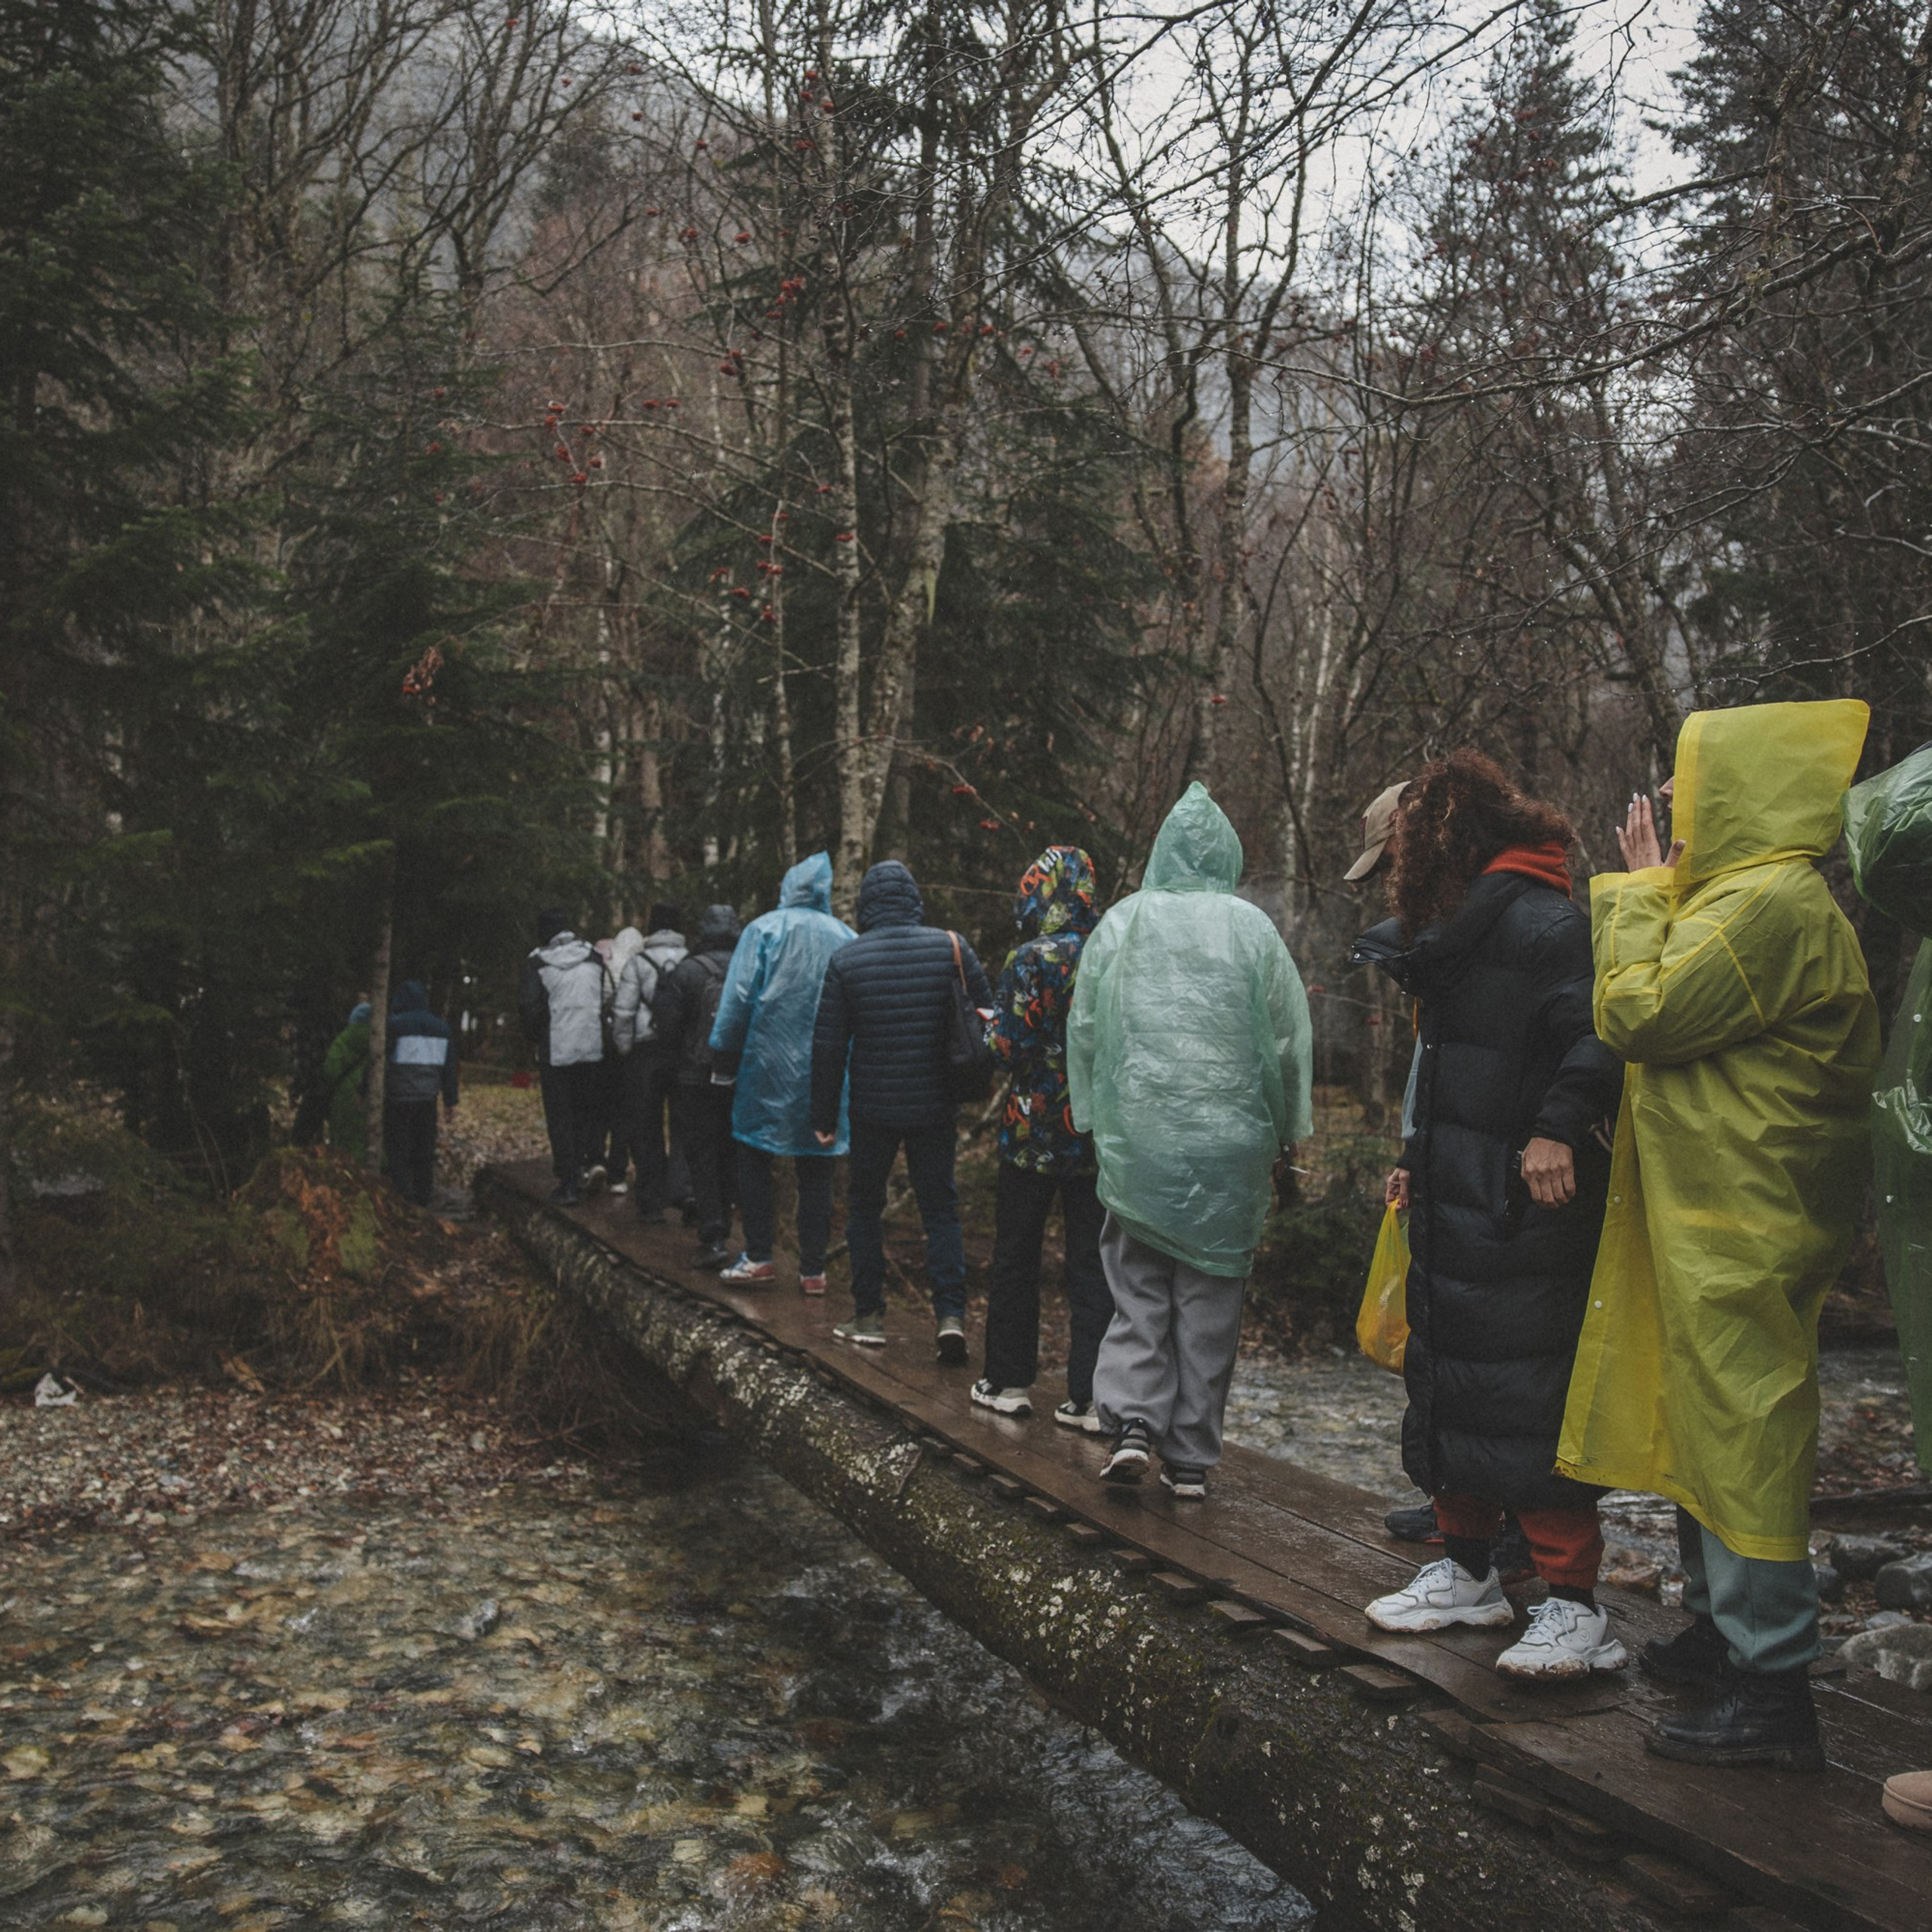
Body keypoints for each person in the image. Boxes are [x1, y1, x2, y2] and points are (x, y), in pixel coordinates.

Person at [1558, 700, 1880, 1769]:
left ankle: (1772, 1685)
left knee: (1743, 1425)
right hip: (1715, 1205)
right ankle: (1722, 1631)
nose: (1671, 797)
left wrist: (1639, 890)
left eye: (1691, 778)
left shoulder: (1770, 903)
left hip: (1747, 1212)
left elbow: (1638, 1012)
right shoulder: (1745, 897)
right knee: (1703, 1412)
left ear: (1743, 789)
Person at [1350, 754, 1626, 1679]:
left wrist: (1556, 1129)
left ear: (1447, 841)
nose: (1399, 868)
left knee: (1525, 1395)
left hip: (1524, 1201)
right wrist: (1412, 1156)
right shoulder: (1460, 927)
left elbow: (1599, 1033)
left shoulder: (1547, 923)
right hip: (1453, 1189)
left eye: (1407, 849)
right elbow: (1445, 1065)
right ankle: (1466, 1572)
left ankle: (1576, 1608)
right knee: (1450, 1382)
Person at [1066, 783, 1312, 1499]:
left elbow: (1085, 1028)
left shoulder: (1122, 922)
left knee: (1137, 1289)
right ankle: (1192, 1460)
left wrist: (1092, 1115)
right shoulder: (1252, 929)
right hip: (1230, 1149)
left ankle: (1132, 1425)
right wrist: (1289, 1129)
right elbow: (1288, 1040)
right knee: (1210, 1305)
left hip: (1142, 1141)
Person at [808, 860, 992, 1361]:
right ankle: (950, 1317)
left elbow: (828, 1046)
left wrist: (823, 1117)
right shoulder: (951, 947)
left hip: (874, 1108)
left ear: (867, 905)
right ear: (914, 899)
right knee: (941, 1210)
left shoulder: (847, 960)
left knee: (865, 1208)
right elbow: (989, 1019)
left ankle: (869, 1315)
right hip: (936, 1104)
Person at [971, 846, 1113, 1430]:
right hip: (1095, 1133)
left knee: (1016, 1257)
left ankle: (1007, 1383)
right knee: (1093, 1265)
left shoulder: (1030, 958)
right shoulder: (1113, 952)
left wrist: (989, 1030)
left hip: (1030, 1133)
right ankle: (1092, 1397)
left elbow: (1009, 1047)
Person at [709, 854, 855, 1291]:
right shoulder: (847, 937)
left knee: (753, 1155)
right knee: (818, 1166)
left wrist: (723, 1057)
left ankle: (759, 1255)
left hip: (766, 1065)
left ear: (788, 887)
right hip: (828, 1071)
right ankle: (814, 1270)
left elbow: (737, 998)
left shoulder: (764, 930)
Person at [654, 904, 744, 1268]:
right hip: (739, 1076)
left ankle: (713, 1235)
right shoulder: (748, 967)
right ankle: (731, 1227)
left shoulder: (687, 971)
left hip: (694, 1078)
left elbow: (668, 1028)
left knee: (702, 1154)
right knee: (731, 1152)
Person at [518, 908, 608, 1205]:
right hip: (592, 1047)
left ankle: (568, 1182)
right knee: (587, 1111)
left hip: (556, 1050)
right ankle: (590, 1162)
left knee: (560, 1117)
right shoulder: (593, 957)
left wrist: (536, 1038)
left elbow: (529, 1009)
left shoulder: (537, 964)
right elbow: (604, 997)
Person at [612, 902, 690, 1223]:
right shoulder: (691, 961)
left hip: (646, 1054)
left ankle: (651, 1201)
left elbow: (623, 1012)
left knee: (647, 1126)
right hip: (682, 1054)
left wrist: (624, 1048)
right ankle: (683, 1192)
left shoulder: (638, 962)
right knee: (683, 1125)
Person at [383, 978, 460, 1208]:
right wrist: (450, 1101)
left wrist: (364, 1089)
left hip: (398, 1099)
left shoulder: (394, 1025)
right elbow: (449, 1068)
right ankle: (423, 1198)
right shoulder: (442, 1029)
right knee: (424, 1150)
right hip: (427, 1100)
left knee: (398, 1150)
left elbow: (378, 1061)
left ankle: (402, 1197)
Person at [322, 1001, 372, 1164]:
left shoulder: (344, 1039)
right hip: (374, 1095)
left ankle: (348, 1171)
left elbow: (331, 1070)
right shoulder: (381, 1038)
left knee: (345, 1141)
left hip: (343, 1097)